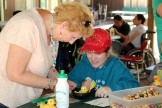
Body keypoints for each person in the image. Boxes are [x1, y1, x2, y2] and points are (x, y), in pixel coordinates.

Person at [0, 2, 94, 107]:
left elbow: (45, 64)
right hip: (7, 100)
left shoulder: (53, 30)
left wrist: (62, 81)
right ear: (64, 25)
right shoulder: (26, 25)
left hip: (27, 99)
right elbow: (14, 73)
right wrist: (52, 83)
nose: (72, 42)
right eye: (73, 37)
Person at [68, 28, 140, 98]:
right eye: (89, 53)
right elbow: (71, 81)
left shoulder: (116, 66)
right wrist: (78, 84)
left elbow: (135, 86)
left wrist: (112, 88)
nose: (93, 58)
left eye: (98, 53)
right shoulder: (83, 63)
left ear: (108, 52)